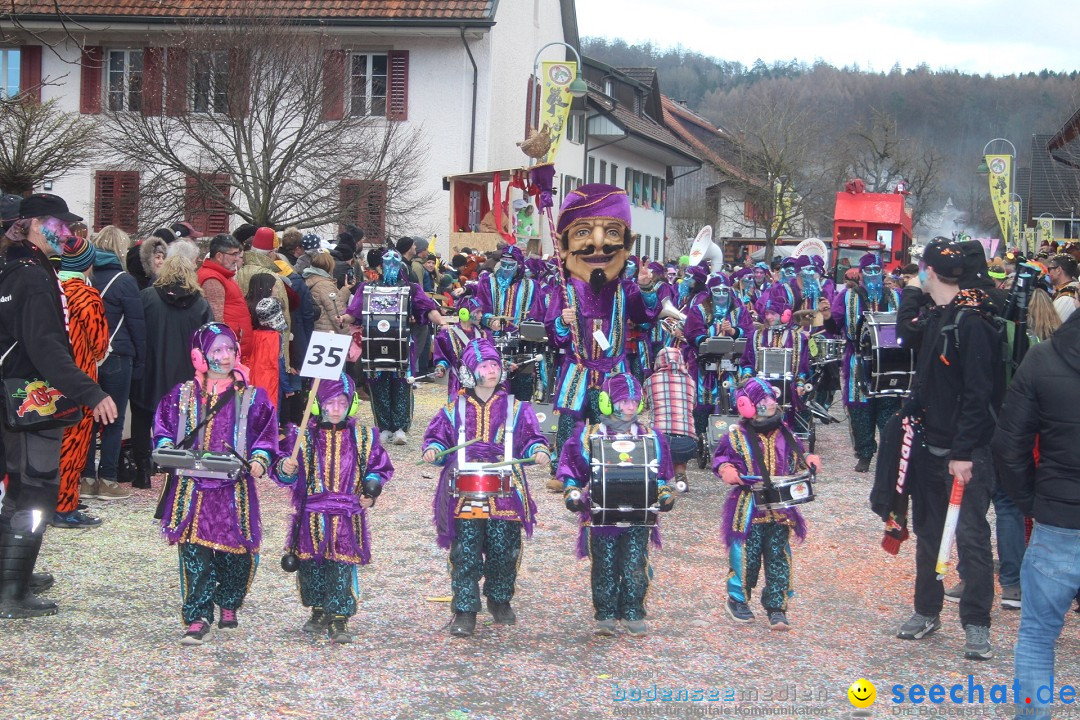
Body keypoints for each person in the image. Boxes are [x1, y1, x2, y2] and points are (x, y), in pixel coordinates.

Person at [0, 193, 118, 619]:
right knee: (34, 492)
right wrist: (91, 392)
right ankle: (11, 590)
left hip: (16, 394)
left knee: (20, 489)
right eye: (60, 224)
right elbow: (46, 346)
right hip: (29, 398)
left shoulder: (18, 266)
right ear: (34, 224)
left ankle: (14, 575)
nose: (68, 233)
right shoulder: (31, 275)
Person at [894, 236, 1002, 660]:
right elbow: (925, 375)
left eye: (921, 269)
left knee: (973, 538)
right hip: (930, 444)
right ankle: (926, 609)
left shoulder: (971, 322)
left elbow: (979, 394)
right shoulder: (940, 315)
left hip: (966, 454)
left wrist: (963, 453)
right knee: (927, 532)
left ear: (930, 272)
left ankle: (976, 623)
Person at [153, 323, 278, 645]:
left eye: (229, 349)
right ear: (199, 356)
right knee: (194, 555)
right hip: (191, 491)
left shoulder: (253, 398)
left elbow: (266, 436)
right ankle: (197, 616)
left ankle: (230, 601)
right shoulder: (180, 396)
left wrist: (260, 460)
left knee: (239, 554)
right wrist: (165, 448)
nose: (224, 356)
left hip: (234, 491)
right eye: (216, 350)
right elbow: (164, 430)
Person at [421, 339, 550, 637]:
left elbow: (531, 438)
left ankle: (499, 598)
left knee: (504, 549)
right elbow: (437, 438)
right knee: (464, 551)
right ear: (469, 372)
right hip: (464, 493)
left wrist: (539, 449)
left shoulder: (516, 408)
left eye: (495, 365)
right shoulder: (454, 408)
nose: (492, 370)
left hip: (504, 493)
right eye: (484, 366)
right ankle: (465, 609)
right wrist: (434, 449)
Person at [993, 310, 1080, 720]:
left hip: (1057, 519)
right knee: (1036, 635)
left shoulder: (1044, 357)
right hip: (1054, 514)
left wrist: (1032, 501)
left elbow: (1009, 445)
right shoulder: (1043, 358)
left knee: (1038, 636)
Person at [543, 185, 658, 486]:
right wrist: (561, 322)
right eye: (582, 233)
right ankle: (564, 471)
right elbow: (553, 337)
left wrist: (645, 288)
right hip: (577, 367)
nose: (598, 245)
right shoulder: (565, 290)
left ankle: (605, 469)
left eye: (611, 234)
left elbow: (646, 318)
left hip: (613, 368)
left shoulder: (625, 289)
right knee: (570, 419)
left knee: (610, 420)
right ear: (566, 245)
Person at [274, 374, 393, 643]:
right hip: (311, 513)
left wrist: (371, 490)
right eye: (330, 402)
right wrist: (286, 468)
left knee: (342, 564)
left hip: (347, 514)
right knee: (310, 565)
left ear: (351, 404)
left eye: (342, 402)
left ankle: (340, 615)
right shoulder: (300, 436)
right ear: (317, 404)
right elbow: (281, 473)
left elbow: (378, 467)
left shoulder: (363, 436)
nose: (337, 408)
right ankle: (318, 609)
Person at [558, 373, 674, 637]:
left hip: (640, 514)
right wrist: (572, 492)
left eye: (634, 401)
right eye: (622, 401)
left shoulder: (651, 437)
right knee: (604, 564)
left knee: (635, 563)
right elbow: (572, 470)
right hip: (600, 515)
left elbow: (662, 475)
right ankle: (606, 613)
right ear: (607, 401)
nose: (630, 407)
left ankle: (633, 611)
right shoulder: (588, 435)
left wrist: (665, 494)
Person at [713, 378, 821, 630]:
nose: (770, 405)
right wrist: (726, 469)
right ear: (747, 405)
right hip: (748, 506)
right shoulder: (735, 436)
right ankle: (737, 600)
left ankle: (777, 606)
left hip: (781, 508)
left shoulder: (786, 432)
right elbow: (720, 459)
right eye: (763, 401)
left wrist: (808, 459)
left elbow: (798, 458)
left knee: (779, 557)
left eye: (771, 399)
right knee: (745, 556)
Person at [341, 248, 445, 444]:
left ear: (400, 266)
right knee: (378, 386)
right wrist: (343, 318)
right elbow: (353, 312)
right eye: (386, 262)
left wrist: (442, 322)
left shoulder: (411, 288)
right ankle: (384, 427)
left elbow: (429, 308)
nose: (390, 266)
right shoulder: (367, 288)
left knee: (401, 386)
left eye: (394, 262)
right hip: (374, 346)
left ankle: (400, 428)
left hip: (402, 345)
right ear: (380, 265)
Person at [130, 255, 212, 490]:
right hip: (185, 373)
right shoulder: (201, 304)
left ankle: (143, 470)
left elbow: (136, 330)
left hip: (149, 370)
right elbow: (208, 340)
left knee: (142, 418)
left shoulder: (147, 297)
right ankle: (174, 469)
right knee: (181, 422)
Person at [82, 225, 145, 501]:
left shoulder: (86, 278)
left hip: (87, 357)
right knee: (114, 419)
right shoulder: (124, 281)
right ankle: (107, 478)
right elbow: (136, 326)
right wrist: (141, 359)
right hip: (118, 355)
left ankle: (85, 477)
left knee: (88, 420)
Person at [53, 236, 109, 528]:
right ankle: (64, 505)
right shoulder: (86, 295)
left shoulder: (51, 286)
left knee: (51, 443)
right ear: (88, 263)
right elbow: (99, 345)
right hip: (81, 376)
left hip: (51, 375)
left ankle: (55, 498)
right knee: (74, 443)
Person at [835, 254, 901, 472]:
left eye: (876, 269)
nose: (873, 274)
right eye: (868, 270)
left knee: (889, 410)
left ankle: (891, 455)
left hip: (890, 361)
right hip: (859, 360)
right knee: (860, 409)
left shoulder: (896, 296)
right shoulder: (847, 297)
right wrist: (827, 317)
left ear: (882, 272)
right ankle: (864, 454)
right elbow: (834, 325)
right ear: (861, 273)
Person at [477, 245, 544, 401]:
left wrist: (530, 324)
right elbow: (480, 306)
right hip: (494, 341)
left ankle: (520, 416)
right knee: (494, 384)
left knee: (522, 385)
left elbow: (538, 312)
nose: (506, 267)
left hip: (522, 343)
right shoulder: (488, 281)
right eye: (503, 262)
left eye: (510, 263)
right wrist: (489, 320)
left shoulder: (532, 285)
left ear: (519, 265)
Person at [647, 347, 697, 492]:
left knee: (657, 448)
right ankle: (680, 472)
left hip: (660, 440)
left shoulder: (651, 381)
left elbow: (647, 404)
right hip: (687, 443)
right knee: (681, 443)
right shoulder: (691, 382)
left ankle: (659, 479)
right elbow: (692, 405)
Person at [197, 234, 252, 359]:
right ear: (219, 256)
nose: (237, 258)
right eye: (233, 254)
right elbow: (216, 320)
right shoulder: (212, 279)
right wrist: (223, 352)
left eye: (238, 254)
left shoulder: (223, 275)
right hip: (226, 353)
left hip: (232, 349)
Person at [433, 296, 492, 400]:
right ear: (464, 313)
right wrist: (441, 366)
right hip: (458, 384)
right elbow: (443, 356)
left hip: (480, 383)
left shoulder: (482, 334)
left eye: (481, 312)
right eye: (477, 312)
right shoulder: (448, 333)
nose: (481, 315)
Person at [1047, 252, 1079, 322]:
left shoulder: (1066, 298)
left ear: (1058, 270)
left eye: (1049, 269)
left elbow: (1054, 327)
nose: (1048, 273)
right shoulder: (1073, 291)